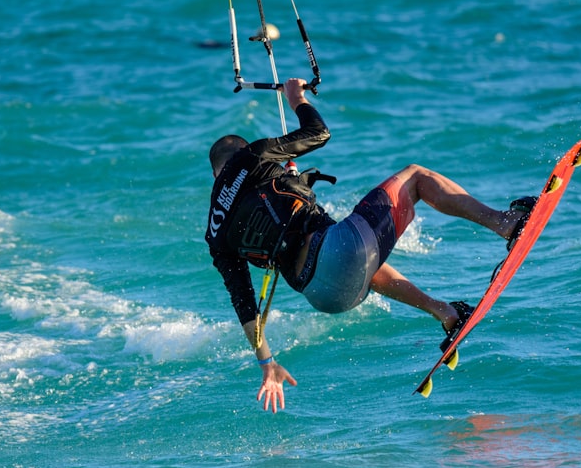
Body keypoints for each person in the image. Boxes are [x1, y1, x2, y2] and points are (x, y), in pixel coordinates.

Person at [205, 78, 534, 413]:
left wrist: (267, 363)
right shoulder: (251, 157)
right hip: (336, 252)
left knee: (362, 259)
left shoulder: (215, 233)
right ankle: (506, 224)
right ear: (240, 151)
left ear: (215, 175)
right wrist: (296, 99)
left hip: (326, 297)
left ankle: (446, 313)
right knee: (416, 176)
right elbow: (319, 132)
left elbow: (245, 305)